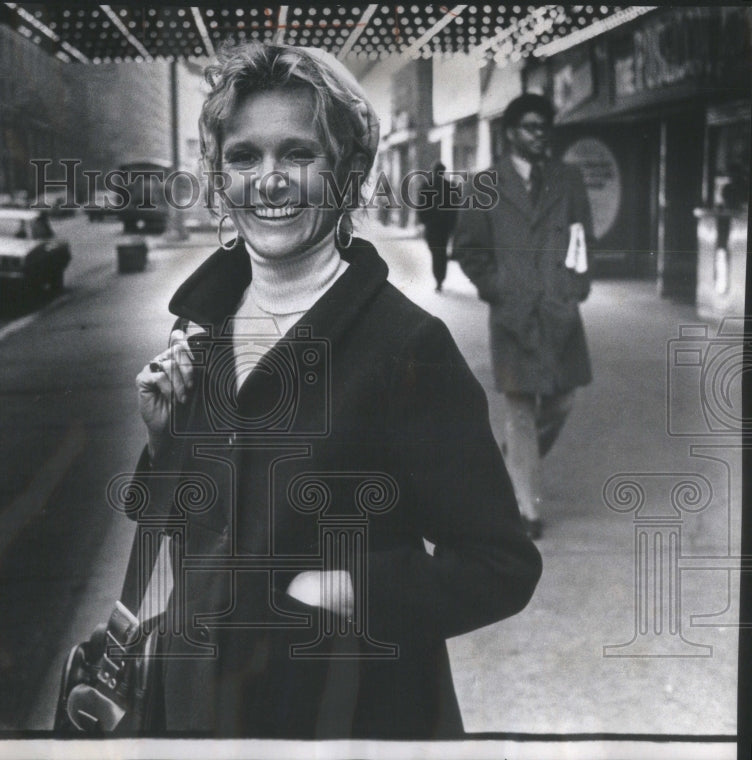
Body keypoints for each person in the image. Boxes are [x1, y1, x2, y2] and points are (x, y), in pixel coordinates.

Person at [129, 42, 541, 739]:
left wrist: (351, 590)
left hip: (348, 714)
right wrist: (164, 442)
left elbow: (501, 565)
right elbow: (187, 534)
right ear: (220, 177)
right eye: (244, 156)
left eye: (298, 154)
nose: (270, 180)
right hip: (200, 705)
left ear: (346, 174)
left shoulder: (407, 348)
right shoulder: (202, 327)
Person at [452, 93, 593, 540]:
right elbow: (468, 250)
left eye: (545, 127)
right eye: (531, 127)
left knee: (561, 401)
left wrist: (575, 288)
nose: (540, 135)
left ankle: (509, 464)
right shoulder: (485, 183)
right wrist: (497, 289)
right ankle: (524, 508)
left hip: (558, 310)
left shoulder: (568, 179)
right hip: (513, 314)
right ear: (510, 131)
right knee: (519, 411)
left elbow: (583, 237)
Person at [418, 161, 457, 292]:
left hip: (432, 225)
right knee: (441, 250)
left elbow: (421, 205)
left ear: (434, 171)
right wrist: (452, 224)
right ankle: (440, 278)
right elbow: (456, 207)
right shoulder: (450, 186)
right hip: (444, 226)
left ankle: (438, 278)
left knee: (435, 251)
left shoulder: (426, 185)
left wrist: (423, 220)